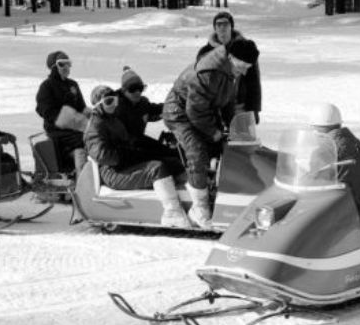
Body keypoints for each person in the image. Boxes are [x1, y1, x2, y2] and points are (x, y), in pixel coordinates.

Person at [163, 38, 259, 229]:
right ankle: (199, 208)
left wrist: (231, 127)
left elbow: (228, 101)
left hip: (204, 110)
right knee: (197, 151)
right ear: (231, 58)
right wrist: (213, 132)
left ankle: (220, 190)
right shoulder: (208, 73)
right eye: (243, 67)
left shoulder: (231, 69)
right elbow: (194, 111)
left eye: (248, 68)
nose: (244, 72)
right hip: (179, 113)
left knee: (223, 145)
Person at [85, 85, 191, 229]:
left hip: (123, 164)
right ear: (98, 105)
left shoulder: (113, 119)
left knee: (172, 163)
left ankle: (192, 198)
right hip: (112, 172)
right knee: (157, 169)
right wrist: (127, 155)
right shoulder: (95, 126)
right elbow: (103, 155)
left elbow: (128, 141)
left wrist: (141, 151)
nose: (114, 105)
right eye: (109, 102)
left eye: (115, 100)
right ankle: (172, 213)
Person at [309, 103, 360, 233]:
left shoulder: (324, 152)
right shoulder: (357, 145)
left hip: (348, 221)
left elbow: (313, 189)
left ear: (317, 129)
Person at [196, 11, 262, 122]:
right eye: (219, 24)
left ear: (231, 27)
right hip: (216, 106)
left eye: (226, 24)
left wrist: (254, 108)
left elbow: (254, 81)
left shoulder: (245, 50)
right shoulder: (205, 52)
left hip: (240, 104)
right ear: (215, 28)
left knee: (242, 133)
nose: (222, 28)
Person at [115, 65, 182, 169]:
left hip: (140, 141)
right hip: (126, 149)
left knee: (173, 153)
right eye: (132, 89)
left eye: (140, 88)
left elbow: (156, 109)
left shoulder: (142, 103)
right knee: (166, 159)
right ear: (124, 91)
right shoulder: (116, 108)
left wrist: (175, 105)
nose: (137, 92)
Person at [35, 50, 89, 175]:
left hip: (76, 129)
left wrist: (90, 116)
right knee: (83, 140)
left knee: (97, 136)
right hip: (57, 131)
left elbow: (82, 107)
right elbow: (45, 110)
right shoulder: (47, 86)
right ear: (53, 67)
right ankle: (83, 178)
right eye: (61, 64)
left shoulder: (72, 85)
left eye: (68, 64)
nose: (66, 67)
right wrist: (70, 120)